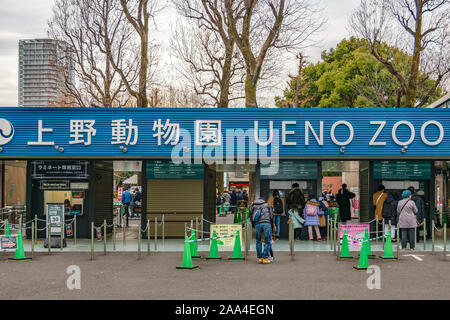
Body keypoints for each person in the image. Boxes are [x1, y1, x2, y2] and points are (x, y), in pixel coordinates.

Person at [251, 197, 273, 264]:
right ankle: (265, 257)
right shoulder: (267, 206)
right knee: (267, 241)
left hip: (257, 225)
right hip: (267, 224)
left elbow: (251, 218)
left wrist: (253, 226)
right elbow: (271, 217)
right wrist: (271, 226)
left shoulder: (253, 207)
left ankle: (260, 258)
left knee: (258, 241)